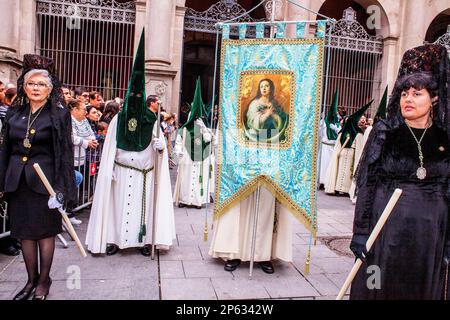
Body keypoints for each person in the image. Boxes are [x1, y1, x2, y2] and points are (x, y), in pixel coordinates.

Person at [349, 43, 450, 300]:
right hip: (387, 232)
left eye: (417, 94)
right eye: (405, 93)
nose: (408, 99)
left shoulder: (445, 137)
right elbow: (368, 184)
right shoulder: (385, 132)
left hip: (430, 237)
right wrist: (360, 232)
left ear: (434, 98)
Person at [85, 30, 176, 256]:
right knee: (117, 208)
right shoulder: (118, 119)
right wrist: (109, 169)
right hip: (121, 171)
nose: (135, 100)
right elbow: (110, 147)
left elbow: (160, 147)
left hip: (144, 174)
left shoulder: (151, 120)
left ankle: (144, 241)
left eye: (139, 95)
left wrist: (161, 148)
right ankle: (114, 240)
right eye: (132, 96)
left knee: (141, 209)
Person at [0, 54, 76, 300]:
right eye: (31, 83)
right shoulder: (14, 113)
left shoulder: (59, 114)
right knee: (24, 233)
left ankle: (44, 281)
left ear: (50, 88)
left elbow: (65, 153)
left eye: (41, 84)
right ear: (24, 85)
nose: (35, 88)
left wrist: (62, 188)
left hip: (45, 184)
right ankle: (30, 280)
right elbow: (5, 149)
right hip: (18, 182)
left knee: (44, 233)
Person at [173, 78, 214, 209]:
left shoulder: (203, 129)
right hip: (187, 158)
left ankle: (197, 201)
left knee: (198, 180)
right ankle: (184, 200)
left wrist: (203, 128)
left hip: (201, 159)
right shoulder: (184, 129)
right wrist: (178, 150)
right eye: (195, 118)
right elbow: (179, 141)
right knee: (186, 179)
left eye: (198, 118)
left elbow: (210, 140)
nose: (196, 120)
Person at [243, 78, 288, 143]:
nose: (264, 88)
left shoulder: (274, 104)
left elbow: (281, 122)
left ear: (271, 89)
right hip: (259, 135)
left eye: (266, 86)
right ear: (259, 89)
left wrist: (272, 114)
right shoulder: (255, 104)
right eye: (261, 87)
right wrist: (266, 115)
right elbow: (252, 122)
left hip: (273, 134)